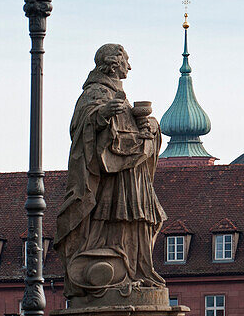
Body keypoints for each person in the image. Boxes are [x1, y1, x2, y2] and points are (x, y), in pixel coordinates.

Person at [55, 44, 166, 302]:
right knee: (117, 218)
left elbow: (131, 128)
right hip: (113, 176)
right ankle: (121, 270)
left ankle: (137, 271)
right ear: (113, 63)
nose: (129, 66)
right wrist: (103, 114)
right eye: (126, 61)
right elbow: (80, 127)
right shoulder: (95, 92)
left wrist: (149, 126)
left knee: (140, 219)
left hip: (131, 172)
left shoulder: (119, 95)